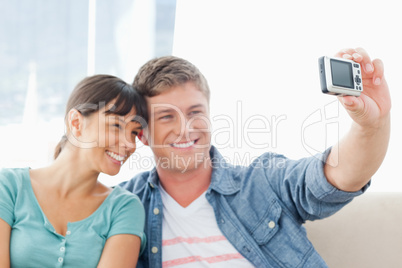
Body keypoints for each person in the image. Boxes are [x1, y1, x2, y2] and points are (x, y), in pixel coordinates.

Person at [120, 48, 391, 267]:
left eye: (195, 112)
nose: (185, 128)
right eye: (167, 116)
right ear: (142, 134)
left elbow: (338, 176)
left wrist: (371, 125)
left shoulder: (262, 182)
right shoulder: (122, 207)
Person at [0, 75, 148, 267]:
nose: (130, 144)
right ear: (76, 123)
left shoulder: (124, 208)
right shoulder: (9, 187)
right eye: (116, 126)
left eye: (134, 133)